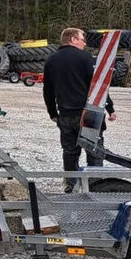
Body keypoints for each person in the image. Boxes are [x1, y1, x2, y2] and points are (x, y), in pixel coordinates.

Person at [42, 27, 116, 191]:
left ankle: (70, 184)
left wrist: (53, 113)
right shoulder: (85, 57)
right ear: (73, 39)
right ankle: (95, 185)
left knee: (69, 152)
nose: (84, 43)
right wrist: (110, 107)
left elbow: (47, 89)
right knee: (94, 151)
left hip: (66, 114)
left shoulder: (52, 59)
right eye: (82, 39)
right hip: (87, 113)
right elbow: (97, 85)